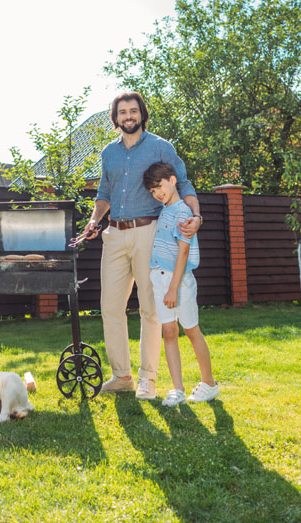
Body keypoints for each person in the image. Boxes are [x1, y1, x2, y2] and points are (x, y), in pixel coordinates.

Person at [83, 91, 202, 400]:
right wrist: (95, 220)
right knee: (110, 307)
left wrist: (196, 215)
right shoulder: (109, 152)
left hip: (150, 232)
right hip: (115, 234)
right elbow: (104, 191)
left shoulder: (161, 147)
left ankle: (148, 379)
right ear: (115, 118)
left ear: (142, 114)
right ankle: (121, 376)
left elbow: (184, 182)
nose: (128, 116)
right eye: (122, 112)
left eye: (133, 111)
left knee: (150, 308)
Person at [142, 161, 218, 406]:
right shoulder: (165, 211)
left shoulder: (183, 212)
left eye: (159, 187)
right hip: (160, 278)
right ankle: (178, 390)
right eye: (153, 192)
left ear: (172, 180)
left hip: (179, 282)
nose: (157, 193)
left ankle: (209, 383)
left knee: (191, 330)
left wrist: (173, 288)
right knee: (169, 332)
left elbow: (183, 253)